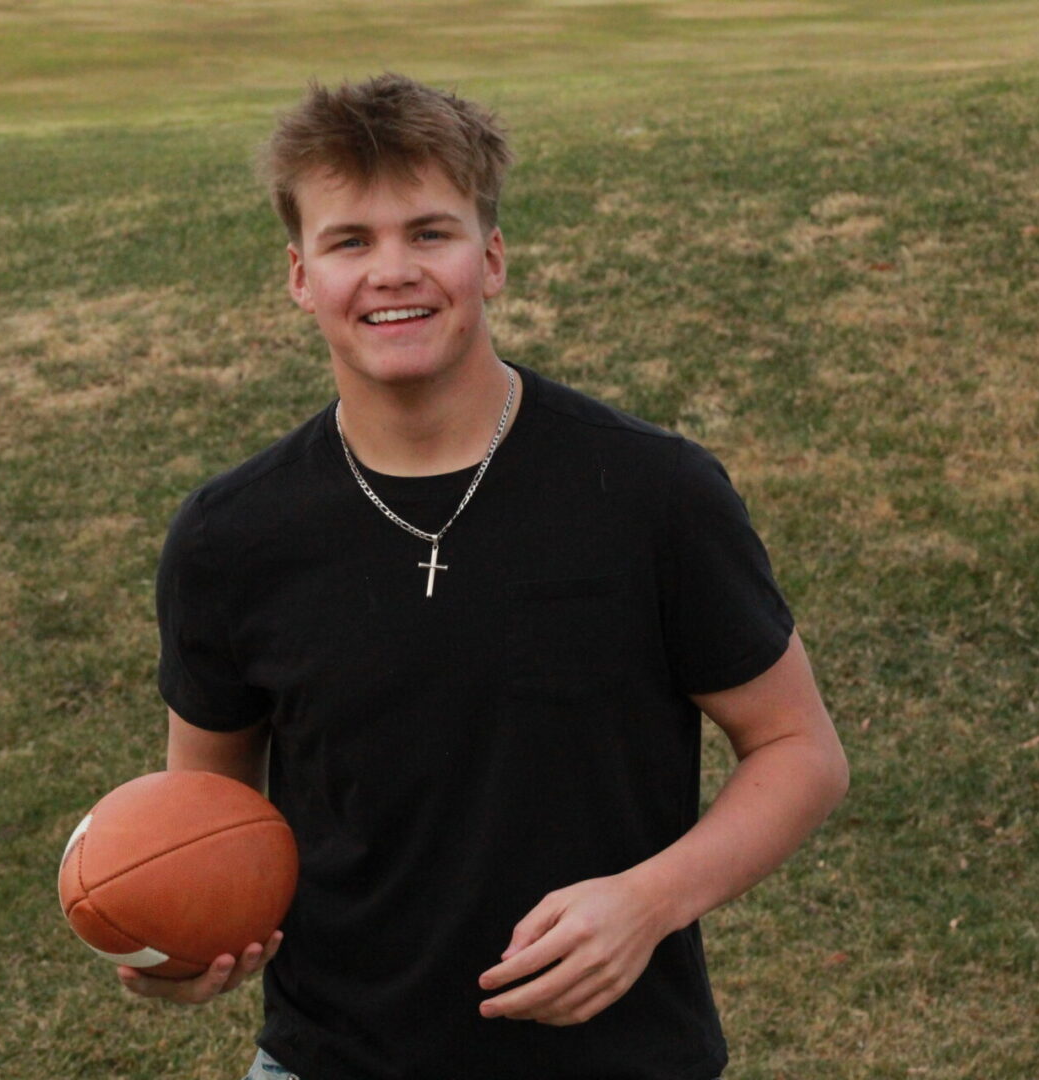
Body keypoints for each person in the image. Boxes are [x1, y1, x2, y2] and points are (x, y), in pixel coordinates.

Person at [124, 73, 849, 1080]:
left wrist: (649, 901)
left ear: (491, 258)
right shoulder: (231, 537)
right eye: (350, 242)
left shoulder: (651, 493)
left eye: (431, 233)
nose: (393, 271)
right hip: (330, 1060)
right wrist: (180, 934)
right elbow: (200, 824)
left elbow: (799, 750)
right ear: (299, 277)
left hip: (616, 1060)